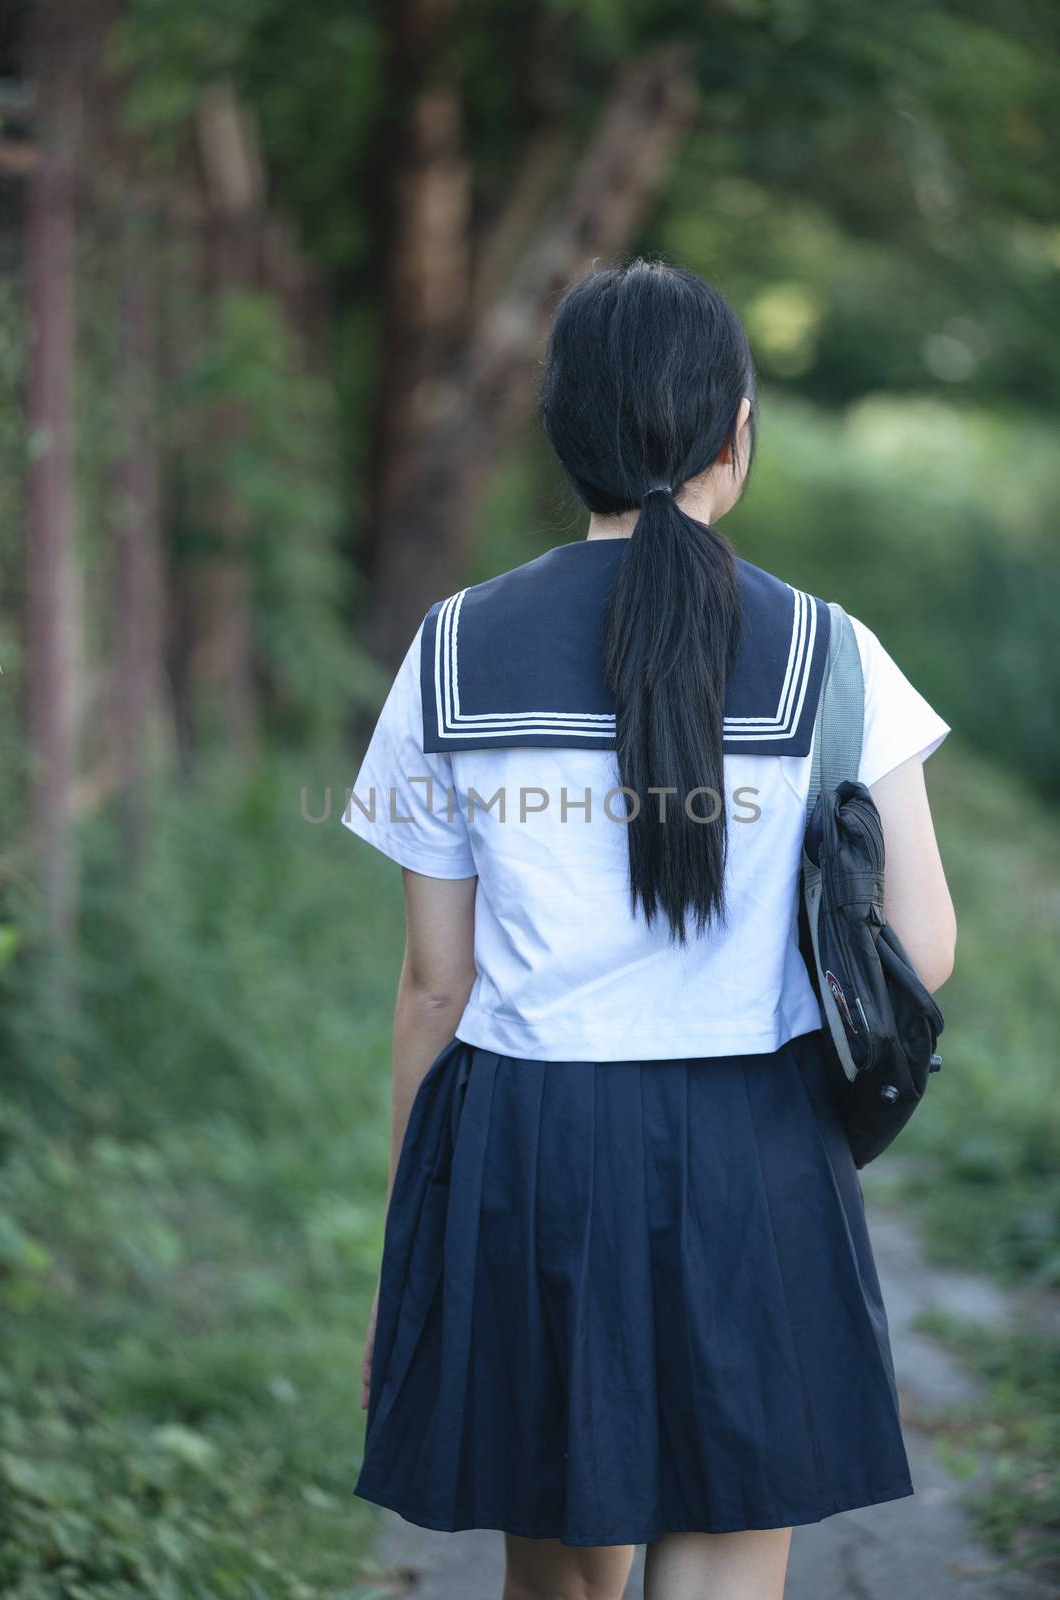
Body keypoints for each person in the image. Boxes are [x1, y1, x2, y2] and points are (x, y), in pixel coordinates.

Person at [341, 258, 957, 1600]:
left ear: (564, 434)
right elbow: (921, 944)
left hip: (529, 1150)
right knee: (729, 1562)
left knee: (559, 1578)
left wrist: (412, 1247)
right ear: (737, 430)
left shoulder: (453, 652)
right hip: (761, 1150)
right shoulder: (831, 656)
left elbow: (434, 989)